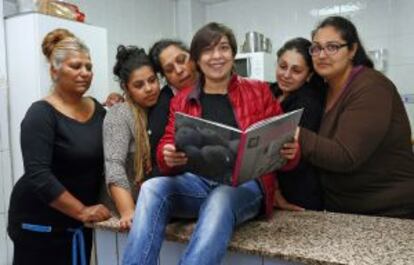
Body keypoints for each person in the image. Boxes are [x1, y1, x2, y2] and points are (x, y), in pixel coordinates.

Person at [122, 22, 300, 265]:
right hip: (198, 183)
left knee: (220, 198)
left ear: (232, 53)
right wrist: (168, 154)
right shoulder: (181, 100)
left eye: (223, 48)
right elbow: (166, 146)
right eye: (207, 50)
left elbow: (284, 153)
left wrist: (291, 152)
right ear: (197, 59)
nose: (216, 56)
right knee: (152, 188)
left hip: (246, 186)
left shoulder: (259, 91)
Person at [7, 28, 111, 265]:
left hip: (76, 224)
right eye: (76, 66)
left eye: (88, 67)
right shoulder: (40, 114)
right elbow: (39, 176)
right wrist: (83, 211)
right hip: (39, 224)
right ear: (54, 71)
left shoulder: (98, 110)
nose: (85, 73)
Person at [299, 16, 414, 218]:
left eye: (332, 47)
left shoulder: (371, 87)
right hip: (344, 212)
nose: (322, 55)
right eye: (316, 48)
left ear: (352, 50)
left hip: (388, 214)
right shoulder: (325, 90)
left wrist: (292, 133)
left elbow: (346, 156)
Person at [103, 45, 160, 231]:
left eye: (152, 80)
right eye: (139, 85)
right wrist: (128, 211)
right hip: (124, 210)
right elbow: (114, 165)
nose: (149, 88)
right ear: (125, 87)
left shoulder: (161, 108)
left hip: (152, 205)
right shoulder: (120, 114)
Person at [269, 37, 325, 211]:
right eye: (282, 66)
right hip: (271, 187)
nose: (286, 75)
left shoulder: (308, 102)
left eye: (296, 70)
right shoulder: (271, 91)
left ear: (308, 75)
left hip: (296, 191)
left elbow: (291, 153)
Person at [147, 39, 198, 176]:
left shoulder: (214, 82)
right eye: (169, 70)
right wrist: (167, 156)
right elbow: (159, 156)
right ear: (165, 77)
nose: (179, 70)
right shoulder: (165, 104)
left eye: (182, 60)